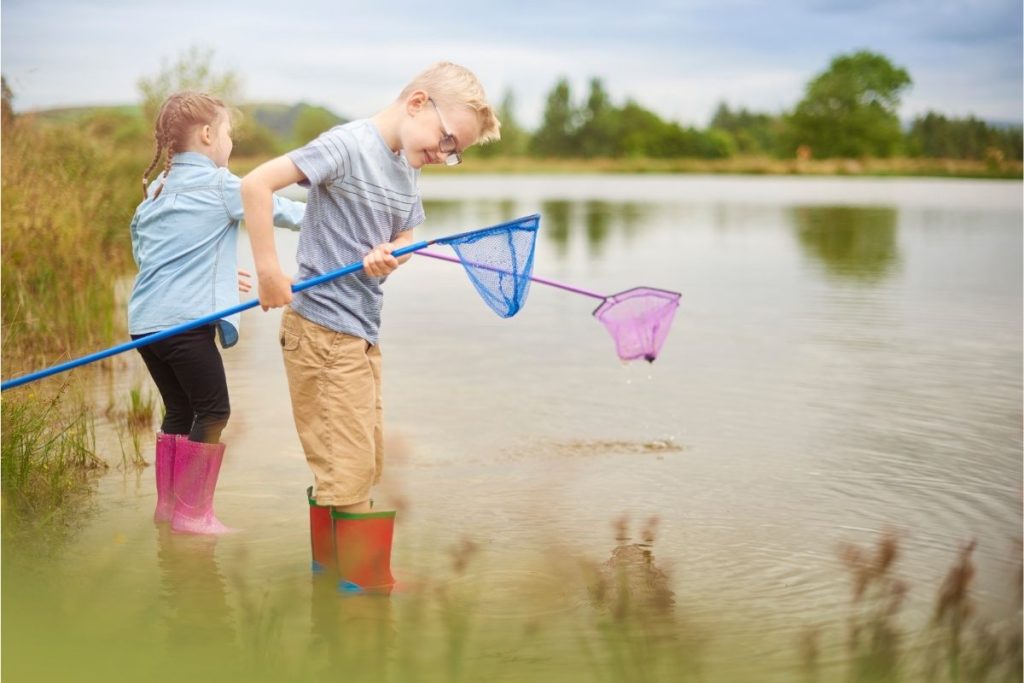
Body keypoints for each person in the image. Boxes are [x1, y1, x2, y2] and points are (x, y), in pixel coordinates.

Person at [241, 62, 500, 590]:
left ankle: (331, 572)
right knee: (351, 464)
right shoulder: (348, 145)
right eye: (447, 140)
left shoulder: (407, 167)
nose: (445, 155)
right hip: (320, 331)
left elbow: (408, 230)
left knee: (358, 458)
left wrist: (392, 254)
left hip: (361, 334)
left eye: (456, 153)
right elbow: (256, 184)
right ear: (417, 103)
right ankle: (362, 585)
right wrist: (270, 271)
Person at [128, 91, 305, 534]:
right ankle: (194, 514)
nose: (230, 142)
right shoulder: (222, 183)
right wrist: (351, 219)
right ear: (208, 135)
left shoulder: (157, 188)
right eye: (228, 133)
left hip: (146, 325)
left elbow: (149, 253)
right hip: (185, 326)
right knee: (214, 412)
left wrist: (220, 277)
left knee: (179, 410)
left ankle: (169, 510)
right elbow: (282, 211)